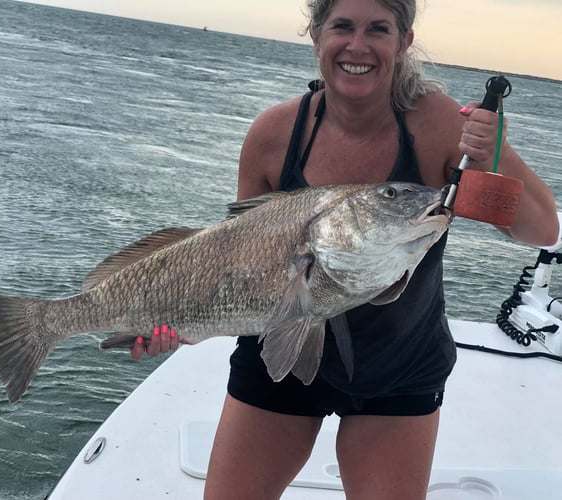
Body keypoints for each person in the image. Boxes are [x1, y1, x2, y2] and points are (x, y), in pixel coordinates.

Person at [132, 0, 558, 498]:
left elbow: (540, 230)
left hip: (400, 365)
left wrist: (494, 155)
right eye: (342, 27)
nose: (358, 46)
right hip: (281, 354)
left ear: (404, 41)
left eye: (378, 28)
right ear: (316, 36)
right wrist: (176, 319)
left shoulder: (441, 125)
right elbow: (236, 260)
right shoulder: (273, 134)